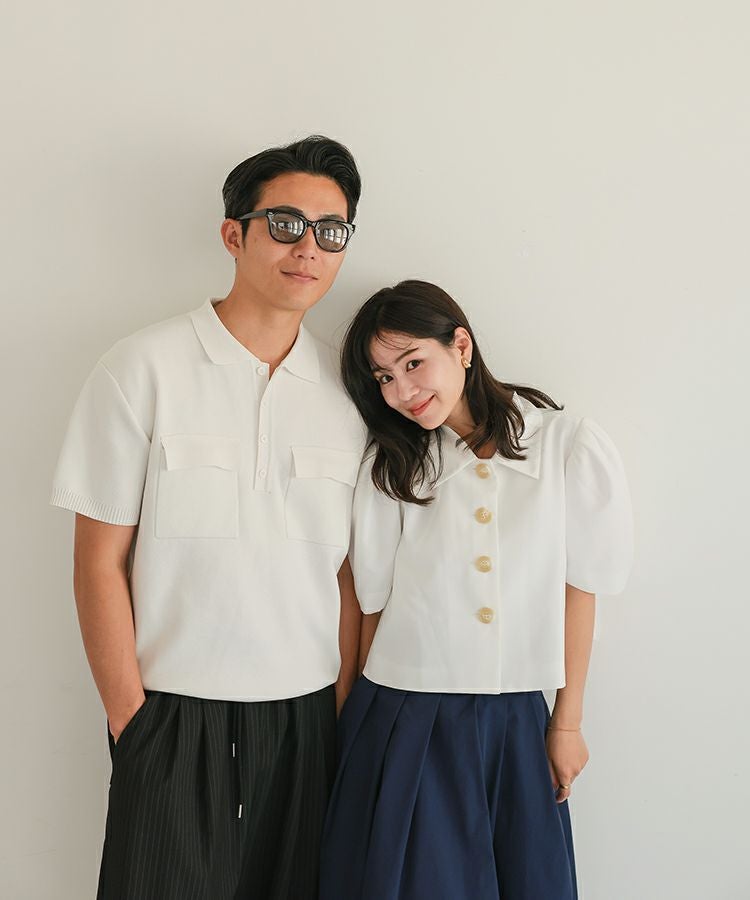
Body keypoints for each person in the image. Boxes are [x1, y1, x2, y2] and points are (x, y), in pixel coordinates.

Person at [50, 135, 367, 900]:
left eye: (331, 231)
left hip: (306, 721)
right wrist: (133, 723)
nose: (308, 248)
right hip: (170, 716)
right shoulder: (143, 368)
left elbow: (351, 577)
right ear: (234, 234)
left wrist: (339, 713)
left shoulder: (352, 393)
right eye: (285, 224)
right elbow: (98, 562)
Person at [319, 280, 634, 900]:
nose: (402, 391)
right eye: (383, 378)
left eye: (413, 363)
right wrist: (350, 719)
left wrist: (566, 722)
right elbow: (370, 603)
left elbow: (582, 589)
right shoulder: (393, 465)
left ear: (460, 346)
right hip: (405, 712)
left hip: (515, 718)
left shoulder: (565, 445)